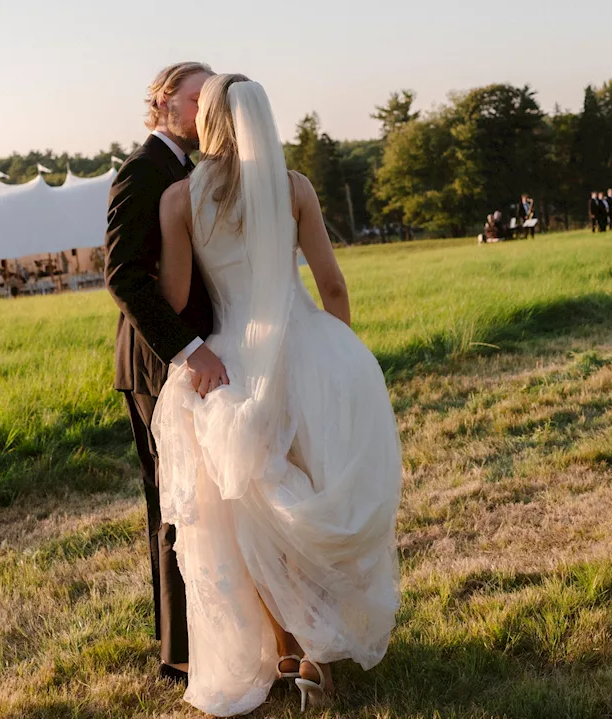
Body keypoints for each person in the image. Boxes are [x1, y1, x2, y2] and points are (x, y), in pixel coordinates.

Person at [151, 74, 402, 717]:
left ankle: (289, 649)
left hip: (232, 366)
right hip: (305, 351)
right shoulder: (294, 191)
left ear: (206, 122)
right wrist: (339, 357)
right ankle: (320, 647)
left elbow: (178, 303)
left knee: (249, 511)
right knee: (309, 490)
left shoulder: (180, 202)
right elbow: (333, 286)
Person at [104, 61, 222, 685]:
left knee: (197, 499)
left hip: (187, 356)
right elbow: (123, 277)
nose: (207, 108)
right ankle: (178, 657)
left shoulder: (187, 170)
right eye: (197, 96)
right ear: (164, 101)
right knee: (175, 504)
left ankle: (197, 637)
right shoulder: (142, 170)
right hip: (157, 363)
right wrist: (188, 349)